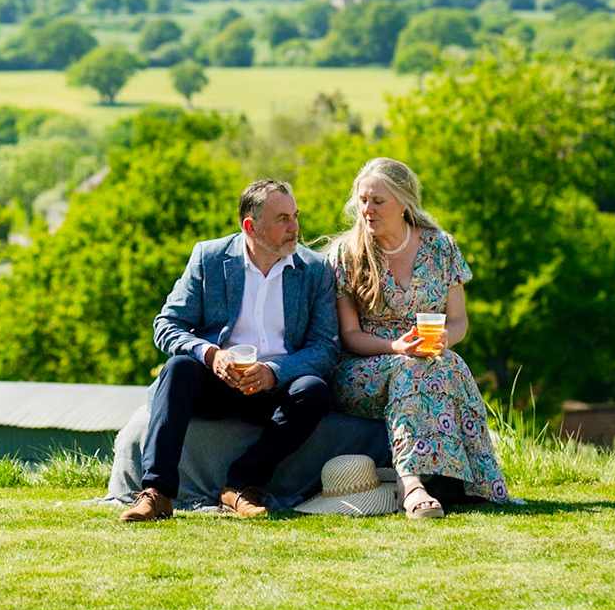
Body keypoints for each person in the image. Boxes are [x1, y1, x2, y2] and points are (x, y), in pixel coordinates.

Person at [120, 179, 341, 521]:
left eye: (295, 216)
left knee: (314, 391)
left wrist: (274, 373)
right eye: (282, 219)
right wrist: (209, 354)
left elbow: (325, 348)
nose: (295, 228)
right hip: (217, 382)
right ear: (250, 227)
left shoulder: (314, 270)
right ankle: (158, 493)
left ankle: (240, 486)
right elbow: (166, 325)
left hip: (276, 389)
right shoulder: (209, 258)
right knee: (178, 368)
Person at [326, 157, 510, 519]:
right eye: (362, 200)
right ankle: (410, 483)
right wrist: (395, 347)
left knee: (450, 363)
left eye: (377, 201)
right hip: (363, 368)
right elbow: (349, 336)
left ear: (404, 202)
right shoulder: (348, 254)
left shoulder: (442, 248)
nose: (367, 210)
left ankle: (464, 484)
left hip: (425, 359)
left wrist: (443, 340)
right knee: (411, 367)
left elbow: (458, 322)